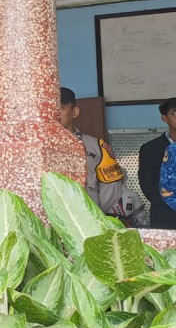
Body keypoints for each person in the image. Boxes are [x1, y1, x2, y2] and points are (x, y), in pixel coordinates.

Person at [59, 88, 146, 225]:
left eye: (61, 108)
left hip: (86, 220)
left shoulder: (96, 146)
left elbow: (112, 187)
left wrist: (91, 212)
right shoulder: (33, 148)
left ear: (74, 112)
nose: (54, 114)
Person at [139, 98, 176, 229]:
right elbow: (146, 183)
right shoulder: (150, 149)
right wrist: (166, 202)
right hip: (164, 215)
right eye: (175, 113)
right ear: (164, 118)